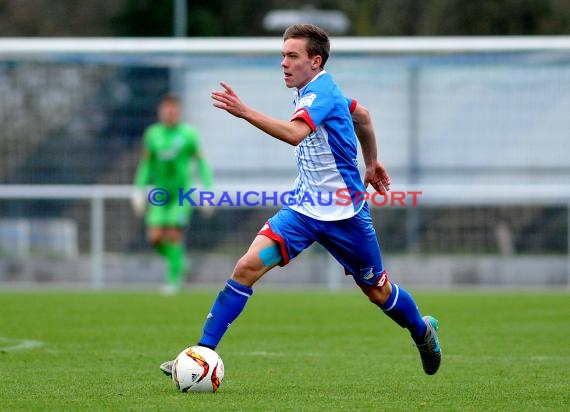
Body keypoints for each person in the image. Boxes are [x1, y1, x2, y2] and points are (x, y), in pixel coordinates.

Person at [160, 24, 441, 375]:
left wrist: (245, 111)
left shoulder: (320, 94)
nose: (284, 63)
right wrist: (371, 163)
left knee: (378, 292)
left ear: (315, 60)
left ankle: (421, 330)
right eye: (283, 55)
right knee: (247, 266)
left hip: (346, 216)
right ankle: (200, 355)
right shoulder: (311, 89)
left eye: (292, 56)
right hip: (302, 211)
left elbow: (296, 134)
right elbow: (363, 116)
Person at [132, 93, 214, 294]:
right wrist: (138, 189)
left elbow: (201, 163)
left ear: (179, 112)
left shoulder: (188, 134)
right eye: (166, 109)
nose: (170, 113)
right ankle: (179, 262)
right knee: (155, 238)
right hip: (160, 194)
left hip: (181, 194)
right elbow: (146, 164)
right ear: (161, 111)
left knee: (173, 234)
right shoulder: (152, 134)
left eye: (173, 109)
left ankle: (173, 280)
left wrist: (207, 190)